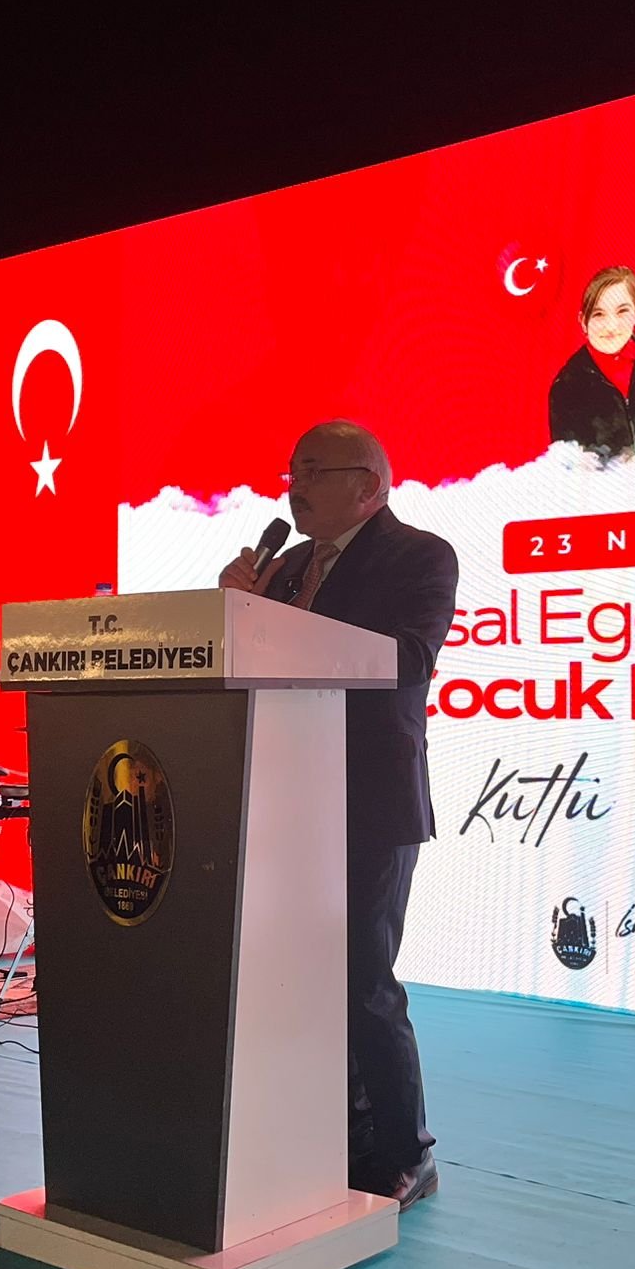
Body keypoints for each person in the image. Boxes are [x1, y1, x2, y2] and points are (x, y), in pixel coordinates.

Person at [217, 420, 458, 1209]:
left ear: (367, 486)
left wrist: (278, 624)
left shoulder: (420, 555)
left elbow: (408, 660)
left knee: (362, 982)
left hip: (370, 801)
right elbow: (251, 667)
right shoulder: (286, 566)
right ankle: (338, 1137)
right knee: (297, 982)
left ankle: (406, 1152)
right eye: (292, 471)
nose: (295, 487)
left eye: (312, 471)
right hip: (284, 799)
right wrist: (235, 614)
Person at [547, 267, 635, 459]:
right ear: (583, 321)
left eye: (622, 311)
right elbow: (570, 464)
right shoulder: (567, 386)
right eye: (598, 314)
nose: (611, 326)